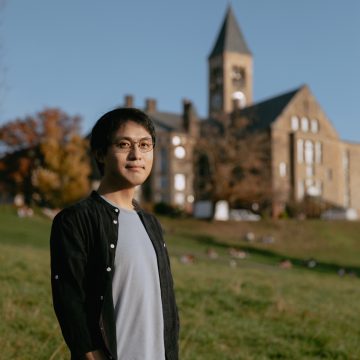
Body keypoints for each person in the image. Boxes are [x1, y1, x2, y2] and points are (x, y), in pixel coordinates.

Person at [50, 108, 179, 360]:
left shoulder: (151, 223)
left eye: (145, 145)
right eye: (123, 145)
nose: (136, 155)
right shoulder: (75, 220)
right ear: (100, 153)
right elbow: (70, 300)